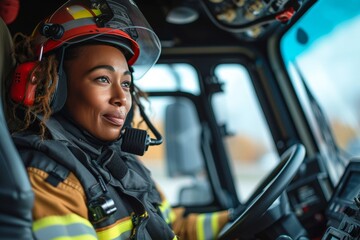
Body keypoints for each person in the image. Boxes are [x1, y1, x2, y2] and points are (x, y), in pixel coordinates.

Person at [5, 0, 232, 239]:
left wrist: (236, 219)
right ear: (53, 86)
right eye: (102, 79)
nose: (121, 98)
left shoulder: (124, 163)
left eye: (125, 84)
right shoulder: (49, 179)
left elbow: (172, 227)